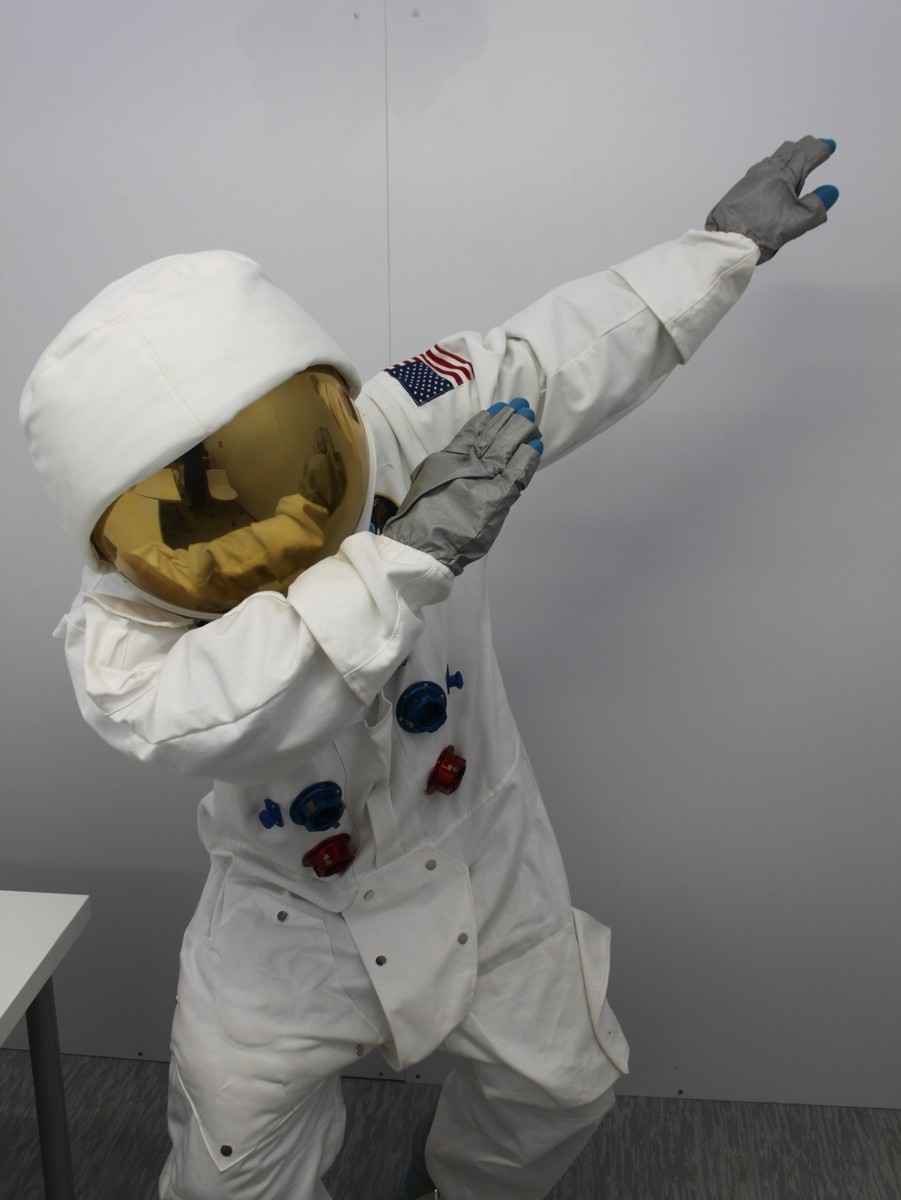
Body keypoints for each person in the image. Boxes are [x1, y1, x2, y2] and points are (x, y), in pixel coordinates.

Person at [20, 137, 838, 1200]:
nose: (268, 531)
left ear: (325, 399)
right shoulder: (120, 628)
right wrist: (400, 559)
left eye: (276, 456)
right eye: (200, 506)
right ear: (114, 534)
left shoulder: (401, 425)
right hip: (288, 907)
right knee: (229, 1164)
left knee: (561, 1087)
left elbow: (546, 356)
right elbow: (200, 710)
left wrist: (717, 250)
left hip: (480, 853)